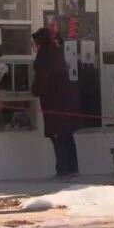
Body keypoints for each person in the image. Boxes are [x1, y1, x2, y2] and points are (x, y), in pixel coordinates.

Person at [31, 28, 81, 179]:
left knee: (58, 136)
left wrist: (34, 89)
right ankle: (73, 169)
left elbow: (42, 81)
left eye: (34, 43)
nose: (33, 47)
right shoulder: (55, 53)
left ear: (39, 44)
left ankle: (63, 170)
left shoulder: (45, 57)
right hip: (65, 102)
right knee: (66, 135)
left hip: (55, 104)